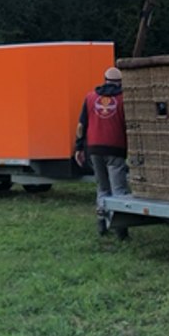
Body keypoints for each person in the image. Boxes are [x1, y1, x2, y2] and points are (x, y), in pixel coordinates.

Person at [74, 67, 130, 239]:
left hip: (94, 149)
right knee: (119, 189)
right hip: (115, 149)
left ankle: (102, 223)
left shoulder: (90, 97)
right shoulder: (123, 99)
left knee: (102, 187)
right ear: (120, 82)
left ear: (104, 79)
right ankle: (121, 229)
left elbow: (81, 126)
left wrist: (78, 148)